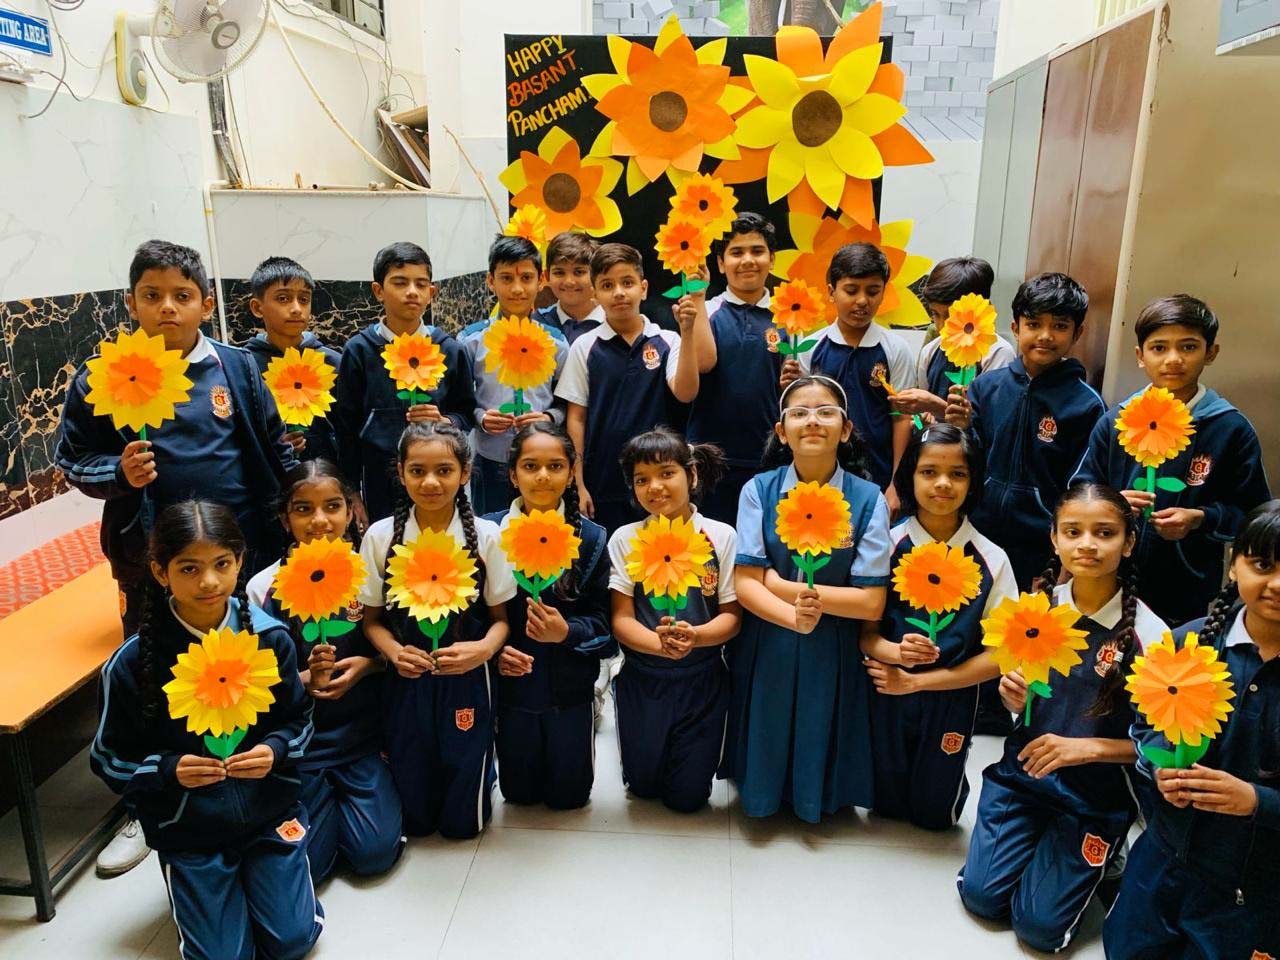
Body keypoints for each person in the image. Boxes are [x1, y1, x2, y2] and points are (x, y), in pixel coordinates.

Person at [57, 239, 298, 878]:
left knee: (247, 664)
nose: (167, 307)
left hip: (238, 554)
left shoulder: (235, 368)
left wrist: (302, 510)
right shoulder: (101, 376)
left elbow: (274, 446)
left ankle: (253, 771)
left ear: (205, 304)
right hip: (152, 561)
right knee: (155, 673)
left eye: (182, 295)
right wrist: (118, 472)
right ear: (131, 302)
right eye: (152, 295)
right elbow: (73, 459)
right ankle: (149, 796)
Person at [90, 501, 321, 959]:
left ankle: (266, 878)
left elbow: (300, 719)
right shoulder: (132, 662)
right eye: (189, 568)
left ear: (240, 562)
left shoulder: (270, 639)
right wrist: (167, 770)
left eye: (222, 564)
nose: (209, 582)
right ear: (160, 572)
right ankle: (200, 884)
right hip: (187, 828)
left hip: (268, 812)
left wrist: (275, 750)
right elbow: (107, 758)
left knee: (291, 941)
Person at [957, 484, 1167, 954]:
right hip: (1024, 779)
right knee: (982, 899)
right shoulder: (1034, 610)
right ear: (1054, 539)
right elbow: (1025, 704)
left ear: (1129, 542)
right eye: (1073, 531)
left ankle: (1106, 855)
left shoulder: (1151, 635)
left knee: (1039, 929)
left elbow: (1160, 745)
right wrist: (1013, 698)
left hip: (1093, 798)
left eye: (1104, 533)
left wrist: (1088, 748)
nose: (1087, 544)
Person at [1104, 500, 1280, 960]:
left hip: (1253, 881)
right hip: (1167, 854)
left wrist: (1256, 801)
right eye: (1263, 565)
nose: (1277, 584)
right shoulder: (1187, 642)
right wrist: (1160, 767)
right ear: (1234, 563)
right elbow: (1146, 724)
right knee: (1127, 949)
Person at [727, 375, 892, 822]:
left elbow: (871, 603)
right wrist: (791, 616)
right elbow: (746, 584)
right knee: (769, 717)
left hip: (832, 642)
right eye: (799, 413)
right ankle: (763, 796)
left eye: (825, 412)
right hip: (769, 635)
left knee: (821, 718)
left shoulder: (868, 499)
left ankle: (812, 800)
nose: (812, 421)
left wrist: (779, 585)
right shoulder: (758, 490)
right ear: (782, 432)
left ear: (846, 428)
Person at [247, 460, 404, 883]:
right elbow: (255, 682)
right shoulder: (263, 587)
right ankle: (322, 805)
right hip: (301, 745)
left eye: (332, 506)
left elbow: (400, 650)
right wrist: (303, 680)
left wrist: (369, 666)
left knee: (374, 855)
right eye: (303, 509)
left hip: (362, 737)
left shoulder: (372, 574)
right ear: (285, 519)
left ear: (352, 511)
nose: (319, 521)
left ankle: (362, 798)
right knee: (311, 866)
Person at [1072, 294, 1271, 625]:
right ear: (1140, 356)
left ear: (1211, 352)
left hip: (1185, 587)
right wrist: (1112, 504)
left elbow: (1254, 515)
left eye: (1188, 347)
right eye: (1159, 348)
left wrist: (1201, 518)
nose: (1174, 359)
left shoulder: (1230, 428)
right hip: (1108, 580)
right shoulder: (1117, 421)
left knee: (1170, 654)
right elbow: (1081, 491)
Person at [358, 421, 515, 838]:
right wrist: (394, 652)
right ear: (400, 472)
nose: (430, 482)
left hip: (468, 677)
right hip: (406, 676)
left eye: (444, 470)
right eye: (417, 471)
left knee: (463, 824)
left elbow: (502, 621)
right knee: (417, 816)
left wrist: (482, 651)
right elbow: (371, 621)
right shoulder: (380, 537)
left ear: (465, 472)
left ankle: (482, 777)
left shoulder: (487, 536)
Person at [860, 424, 1018, 829]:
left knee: (935, 815)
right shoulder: (886, 546)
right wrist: (894, 655)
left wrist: (917, 682)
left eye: (958, 473)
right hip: (887, 691)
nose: (943, 484)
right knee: (884, 803)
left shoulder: (992, 559)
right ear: (909, 476)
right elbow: (864, 635)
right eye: (929, 471)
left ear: (973, 481)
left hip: (954, 696)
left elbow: (1003, 655)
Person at [944, 272, 1105, 590]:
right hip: (977, 535)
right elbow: (968, 461)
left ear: (1077, 333)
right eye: (1034, 324)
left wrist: (1064, 555)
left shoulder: (1086, 405)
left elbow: (1082, 487)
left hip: (1042, 547)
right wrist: (961, 429)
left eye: (1059, 326)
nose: (1045, 335)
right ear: (1016, 328)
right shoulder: (985, 387)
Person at [608, 428, 740, 812]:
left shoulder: (721, 536)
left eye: (667, 473)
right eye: (641, 479)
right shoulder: (625, 539)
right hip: (643, 677)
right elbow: (621, 618)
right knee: (643, 788)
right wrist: (658, 645)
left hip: (703, 679)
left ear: (692, 474)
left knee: (688, 799)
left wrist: (695, 638)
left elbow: (732, 617)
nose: (655, 487)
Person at [485, 423, 613, 809]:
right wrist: (495, 652)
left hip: (569, 692)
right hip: (512, 693)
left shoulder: (592, 539)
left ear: (571, 473)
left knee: (569, 798)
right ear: (513, 474)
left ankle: (592, 713)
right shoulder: (488, 533)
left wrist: (566, 632)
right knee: (519, 796)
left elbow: (606, 629)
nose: (543, 476)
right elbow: (471, 614)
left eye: (555, 466)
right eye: (530, 466)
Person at [555, 243, 701, 533]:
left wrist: (687, 332)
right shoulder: (585, 346)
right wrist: (578, 483)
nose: (619, 292)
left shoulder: (668, 340)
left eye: (627, 283)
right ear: (595, 294)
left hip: (659, 478)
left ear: (643, 289)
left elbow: (686, 393)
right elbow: (577, 418)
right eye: (607, 285)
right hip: (603, 479)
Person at [333, 242, 477, 522]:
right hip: (379, 478)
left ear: (431, 293)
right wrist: (350, 490)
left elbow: (466, 412)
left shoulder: (449, 349)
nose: (412, 291)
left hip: (438, 479)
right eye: (400, 283)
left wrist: (447, 421)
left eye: (420, 284)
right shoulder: (359, 350)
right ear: (378, 291)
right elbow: (346, 427)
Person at [786, 243, 915, 508]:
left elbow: (902, 418)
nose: (862, 301)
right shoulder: (810, 348)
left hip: (878, 477)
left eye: (873, 291)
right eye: (851, 290)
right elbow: (801, 415)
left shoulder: (896, 349)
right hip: (819, 478)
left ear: (883, 292)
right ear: (831, 292)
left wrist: (896, 484)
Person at [685, 212, 784, 525]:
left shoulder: (789, 317)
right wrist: (697, 298)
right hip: (708, 461)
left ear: (772, 258)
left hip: (768, 459)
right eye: (737, 252)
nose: (748, 260)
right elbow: (701, 364)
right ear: (720, 263)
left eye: (757, 251)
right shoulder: (705, 310)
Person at [460, 235, 568, 515]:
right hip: (490, 458)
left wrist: (549, 418)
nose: (517, 289)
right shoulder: (471, 341)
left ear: (541, 280)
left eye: (526, 278)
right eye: (506, 278)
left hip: (541, 462)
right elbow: (460, 400)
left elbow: (567, 402)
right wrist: (481, 417)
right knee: (491, 528)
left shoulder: (556, 343)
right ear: (490, 281)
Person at [892, 256, 1014, 421]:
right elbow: (923, 417)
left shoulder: (997, 353)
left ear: (976, 309)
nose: (942, 325)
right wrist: (921, 417)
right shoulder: (930, 352)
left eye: (951, 315)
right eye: (935, 314)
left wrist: (937, 407)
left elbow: (994, 424)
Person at [244, 256, 340, 464]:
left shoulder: (332, 362)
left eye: (304, 299)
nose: (296, 308)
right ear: (257, 308)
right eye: (283, 298)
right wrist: (273, 447)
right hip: (269, 476)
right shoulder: (244, 366)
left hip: (329, 474)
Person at [534, 231, 603, 344]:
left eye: (579, 272)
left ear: (596, 275)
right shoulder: (537, 324)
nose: (569, 282)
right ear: (547, 276)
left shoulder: (617, 322)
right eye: (559, 273)